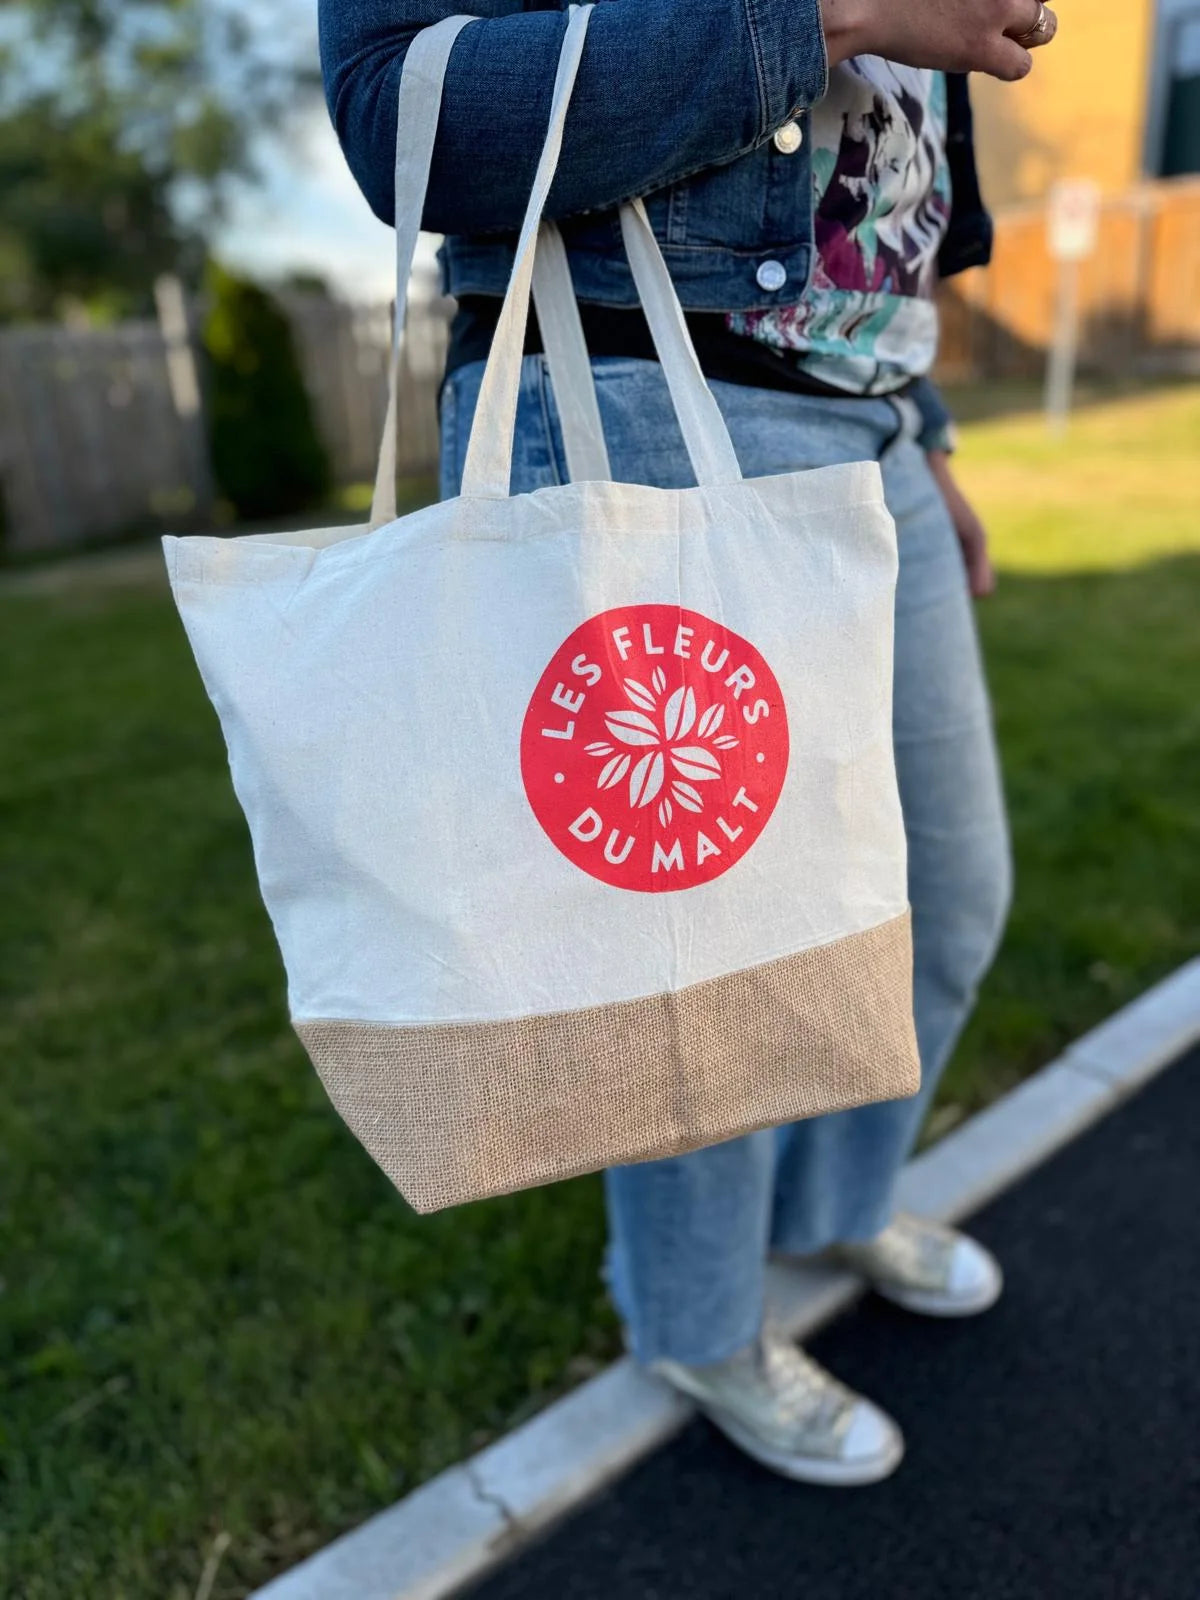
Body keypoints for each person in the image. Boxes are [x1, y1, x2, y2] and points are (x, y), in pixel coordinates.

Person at [320, 0, 1059, 1484]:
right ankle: (699, 1324)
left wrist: (928, 429)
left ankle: (832, 1210)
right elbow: (403, 112)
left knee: (949, 897)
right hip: (641, 398)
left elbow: (884, 187)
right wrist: (836, 11)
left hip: (870, 418)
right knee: (715, 986)